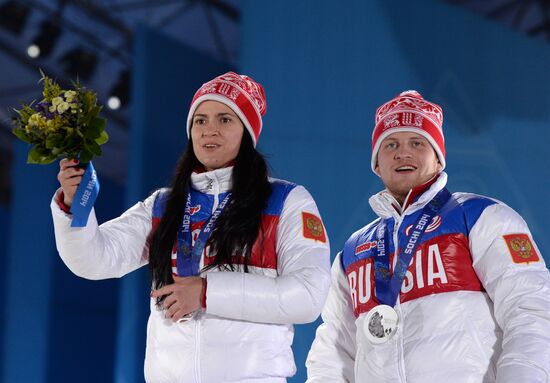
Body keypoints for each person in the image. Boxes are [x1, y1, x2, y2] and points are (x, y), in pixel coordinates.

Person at [52, 72, 331, 383]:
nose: (209, 129)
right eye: (200, 120)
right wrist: (74, 206)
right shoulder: (163, 205)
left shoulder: (285, 201)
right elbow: (94, 259)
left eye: (225, 119)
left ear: (247, 134)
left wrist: (207, 292)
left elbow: (308, 296)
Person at [306, 90, 550, 382]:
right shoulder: (353, 252)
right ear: (377, 164)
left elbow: (531, 309)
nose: (403, 152)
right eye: (391, 144)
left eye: (417, 142)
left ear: (437, 158)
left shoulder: (480, 216)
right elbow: (333, 354)